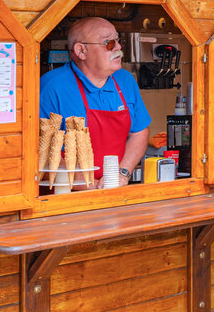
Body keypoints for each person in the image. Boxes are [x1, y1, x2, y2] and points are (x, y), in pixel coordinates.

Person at [39, 17, 150, 188]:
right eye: (109, 43)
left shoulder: (125, 80)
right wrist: (89, 185)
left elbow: (139, 132)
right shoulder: (52, 86)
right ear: (81, 50)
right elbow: (43, 150)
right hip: (64, 195)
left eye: (117, 40)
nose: (119, 47)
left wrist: (121, 174)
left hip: (114, 188)